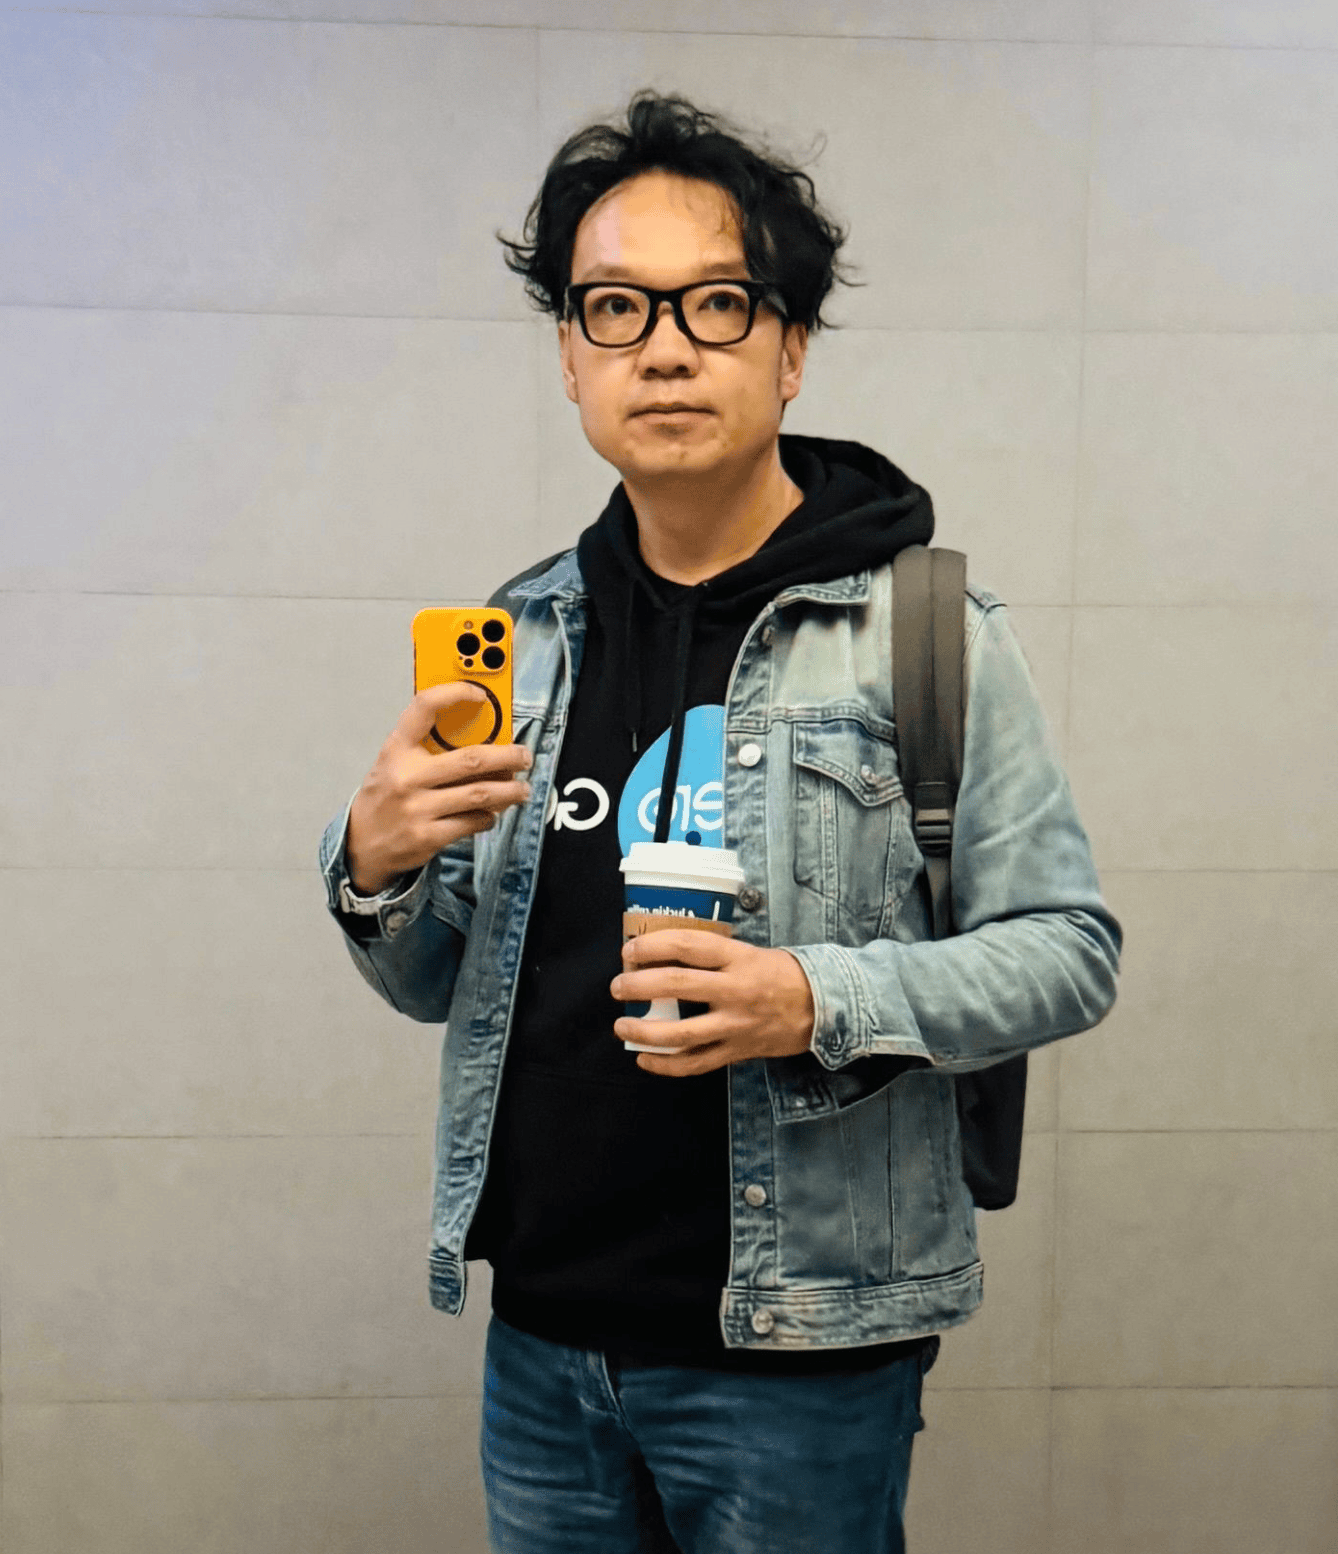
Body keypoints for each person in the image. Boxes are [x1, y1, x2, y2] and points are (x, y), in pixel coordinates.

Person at [319, 90, 1122, 1554]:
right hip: (542, 1341)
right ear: (572, 356)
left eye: (717, 303)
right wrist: (376, 868)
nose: (667, 347)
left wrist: (811, 997)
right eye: (616, 307)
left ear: (789, 347)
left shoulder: (923, 633)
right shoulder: (525, 635)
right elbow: (441, 980)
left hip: (797, 1351)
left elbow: (1067, 951)